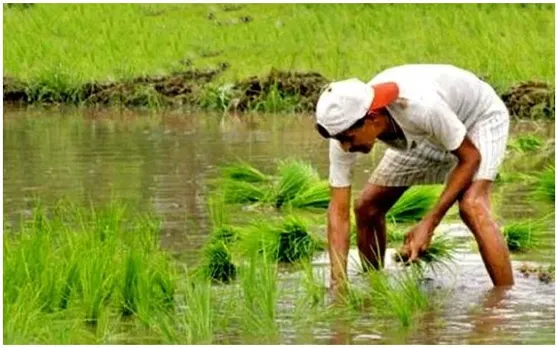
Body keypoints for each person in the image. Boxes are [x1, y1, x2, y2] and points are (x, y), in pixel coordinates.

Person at [314, 64, 514, 293]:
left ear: (372, 118)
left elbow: (470, 158)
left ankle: (504, 304)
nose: (346, 148)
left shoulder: (421, 106)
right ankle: (375, 289)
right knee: (367, 207)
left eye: (349, 139)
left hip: (477, 119)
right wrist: (338, 286)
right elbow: (339, 211)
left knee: (472, 205)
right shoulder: (343, 127)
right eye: (340, 140)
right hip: (426, 134)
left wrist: (429, 224)